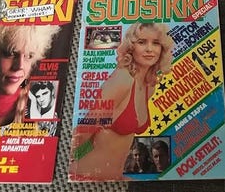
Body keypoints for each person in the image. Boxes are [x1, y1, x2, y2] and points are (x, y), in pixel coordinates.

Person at [69, 22, 174, 181]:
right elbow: (83, 131)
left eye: (156, 43)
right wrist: (69, 165)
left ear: (162, 49)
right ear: (131, 47)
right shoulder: (123, 80)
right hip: (86, 176)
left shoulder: (148, 87)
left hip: (115, 178)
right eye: (142, 42)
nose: (149, 49)